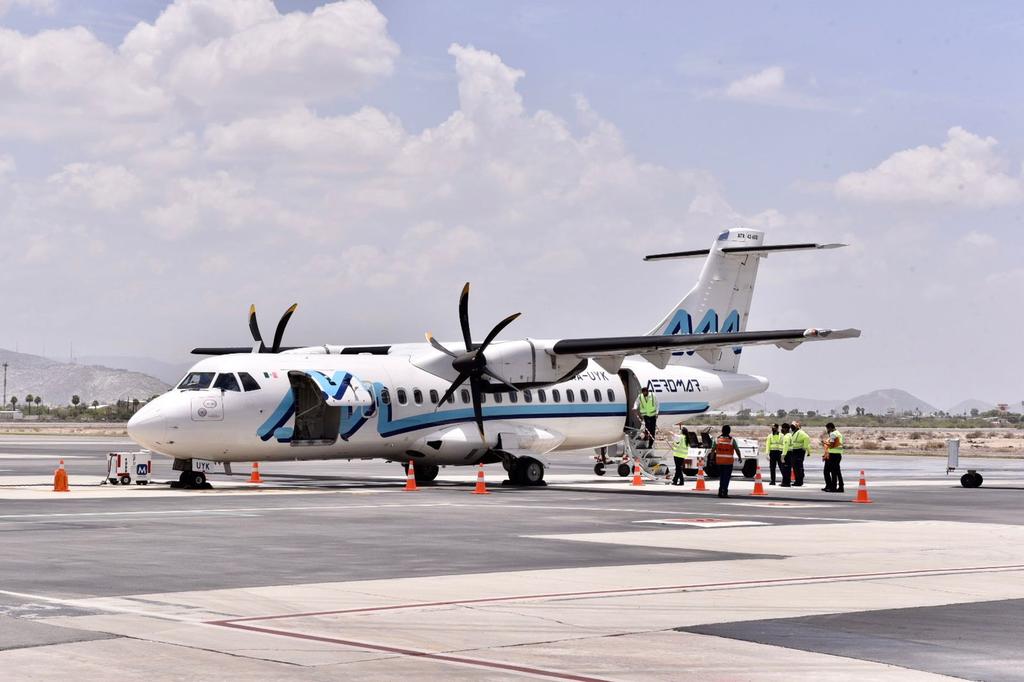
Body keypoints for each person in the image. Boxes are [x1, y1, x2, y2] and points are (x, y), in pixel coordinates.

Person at [713, 425, 741, 498]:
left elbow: (712, 450)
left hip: (719, 461)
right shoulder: (731, 440)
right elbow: (737, 449)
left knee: (722, 477)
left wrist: (712, 458)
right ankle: (724, 492)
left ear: (722, 431)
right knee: (726, 477)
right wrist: (740, 457)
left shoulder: (717, 439)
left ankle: (720, 491)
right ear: (729, 431)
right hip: (728, 462)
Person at [822, 422, 845, 492]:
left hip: (832, 455)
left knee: (831, 472)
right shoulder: (839, 434)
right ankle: (840, 487)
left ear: (830, 428)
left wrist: (824, 443)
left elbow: (831, 445)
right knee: (837, 472)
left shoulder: (833, 434)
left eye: (827, 429)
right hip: (838, 454)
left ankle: (832, 487)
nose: (827, 430)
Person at [790, 420, 811, 487]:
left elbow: (807, 438)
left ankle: (800, 481)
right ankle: (797, 480)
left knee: (798, 466)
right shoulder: (794, 432)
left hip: (799, 451)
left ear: (797, 427)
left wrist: (805, 448)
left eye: (793, 426)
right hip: (794, 451)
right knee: (795, 466)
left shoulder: (800, 432)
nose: (792, 427)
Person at [779, 422, 793, 487]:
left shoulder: (786, 436)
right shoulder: (790, 435)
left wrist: (783, 456)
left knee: (785, 469)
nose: (781, 430)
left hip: (787, 454)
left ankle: (786, 483)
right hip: (790, 453)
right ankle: (786, 482)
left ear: (786, 429)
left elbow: (785, 446)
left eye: (783, 428)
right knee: (787, 469)